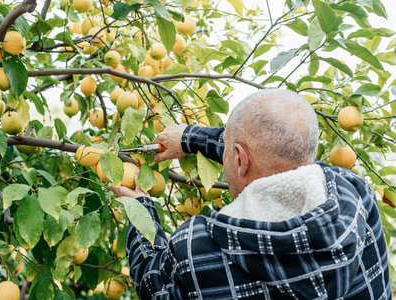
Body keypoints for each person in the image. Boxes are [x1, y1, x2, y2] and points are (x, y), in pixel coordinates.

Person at [111, 89, 391, 299]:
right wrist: (189, 138)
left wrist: (140, 209)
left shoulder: (200, 249)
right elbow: (274, 150)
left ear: (239, 159)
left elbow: (153, 286)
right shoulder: (355, 193)